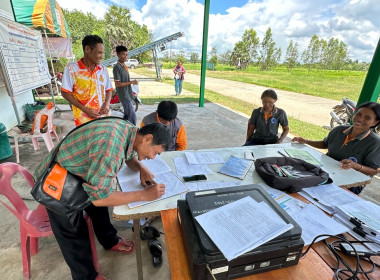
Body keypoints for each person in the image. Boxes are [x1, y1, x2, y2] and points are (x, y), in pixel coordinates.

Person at [34, 118, 170, 280]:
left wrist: (141, 168)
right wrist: (144, 195)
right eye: (155, 152)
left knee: (100, 205)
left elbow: (129, 157)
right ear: (147, 138)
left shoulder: (131, 131)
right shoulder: (110, 147)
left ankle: (109, 240)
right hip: (57, 181)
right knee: (74, 234)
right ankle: (86, 276)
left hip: (80, 171)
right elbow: (100, 198)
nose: (153, 157)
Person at [292, 102, 380, 194]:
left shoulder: (375, 143)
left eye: (367, 118)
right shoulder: (339, 130)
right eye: (359, 114)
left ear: (375, 122)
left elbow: (374, 171)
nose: (360, 119)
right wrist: (306, 141)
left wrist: (355, 166)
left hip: (350, 182)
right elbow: (325, 144)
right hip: (324, 171)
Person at [61, 35, 113, 126]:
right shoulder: (71, 69)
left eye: (102, 53)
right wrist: (85, 109)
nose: (101, 56)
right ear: (87, 49)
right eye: (99, 53)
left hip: (103, 118)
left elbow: (109, 90)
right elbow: (65, 92)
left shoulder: (103, 69)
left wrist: (107, 104)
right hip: (83, 121)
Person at [113, 45, 138, 125]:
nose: (125, 56)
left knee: (127, 116)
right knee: (132, 116)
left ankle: (125, 130)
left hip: (128, 93)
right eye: (123, 54)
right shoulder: (117, 67)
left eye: (126, 54)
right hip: (124, 95)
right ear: (118, 55)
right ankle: (133, 131)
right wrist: (131, 82)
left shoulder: (124, 66)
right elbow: (118, 84)